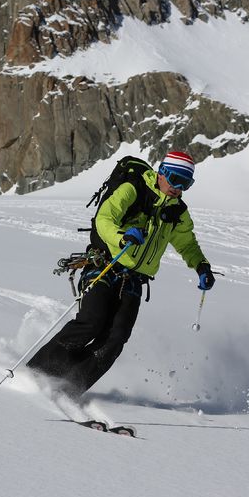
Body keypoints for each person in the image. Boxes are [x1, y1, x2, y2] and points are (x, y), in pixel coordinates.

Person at [26, 150, 215, 397]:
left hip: (135, 280)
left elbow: (187, 244)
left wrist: (201, 266)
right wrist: (122, 237)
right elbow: (104, 219)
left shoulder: (177, 213)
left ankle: (70, 387)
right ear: (162, 172)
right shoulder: (133, 189)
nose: (178, 188)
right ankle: (35, 375)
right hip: (105, 265)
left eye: (186, 183)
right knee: (90, 323)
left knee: (115, 339)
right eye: (175, 179)